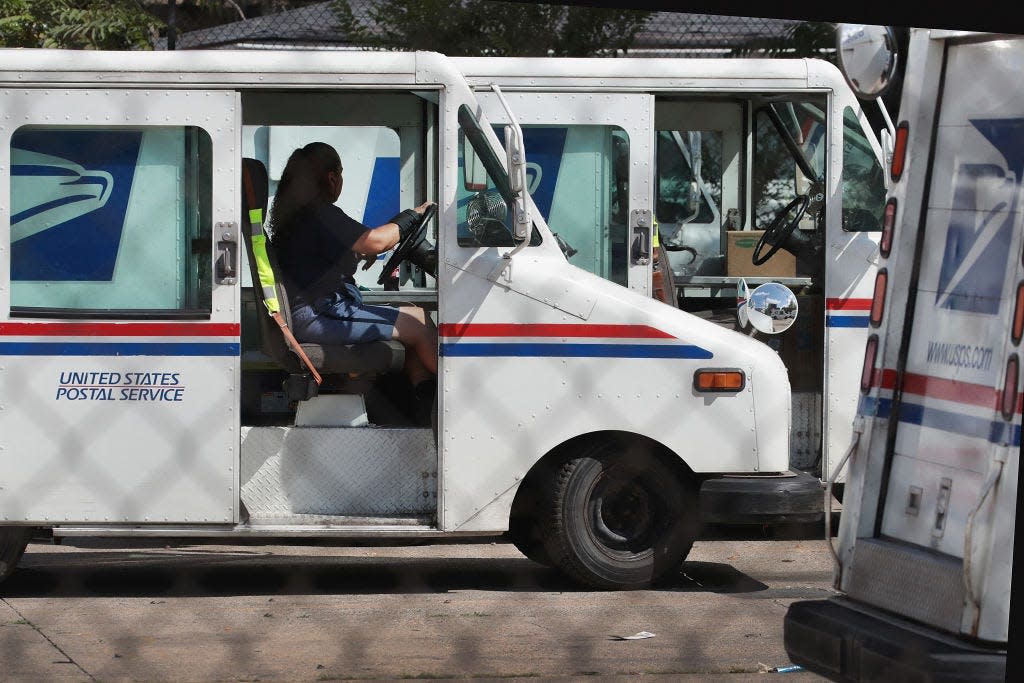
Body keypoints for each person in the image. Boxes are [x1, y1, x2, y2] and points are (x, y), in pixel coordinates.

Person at [267, 141, 437, 416]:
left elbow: (334, 253)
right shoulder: (320, 213)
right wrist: (413, 216)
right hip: (318, 317)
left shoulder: (300, 215)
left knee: (413, 312)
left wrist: (359, 252)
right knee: (419, 323)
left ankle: (424, 393)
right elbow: (376, 242)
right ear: (333, 177)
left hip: (318, 311)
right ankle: (456, 399)